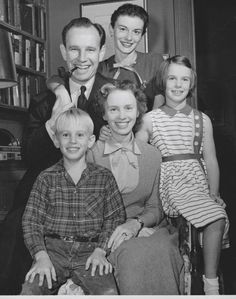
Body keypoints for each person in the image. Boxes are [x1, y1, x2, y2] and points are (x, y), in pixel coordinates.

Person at [0, 17, 113, 294]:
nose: (82, 58)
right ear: (63, 51)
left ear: (101, 52)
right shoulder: (44, 99)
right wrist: (54, 120)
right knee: (15, 225)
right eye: (74, 50)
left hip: (96, 188)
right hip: (45, 185)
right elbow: (29, 155)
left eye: (90, 50)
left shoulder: (115, 96)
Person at [136, 55, 230, 295]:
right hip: (170, 182)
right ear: (162, 82)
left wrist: (214, 192)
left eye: (184, 79)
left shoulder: (202, 119)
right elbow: (136, 155)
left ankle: (207, 276)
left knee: (218, 214)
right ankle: (212, 286)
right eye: (172, 78)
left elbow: (210, 159)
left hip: (197, 181)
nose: (178, 84)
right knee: (216, 217)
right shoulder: (150, 119)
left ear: (191, 84)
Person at [86, 80, 184, 295]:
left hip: (149, 230)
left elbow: (156, 207)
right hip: (107, 236)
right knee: (132, 254)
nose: (122, 116)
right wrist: (116, 231)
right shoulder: (91, 155)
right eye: (113, 109)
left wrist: (136, 224)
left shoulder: (153, 155)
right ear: (104, 115)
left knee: (159, 250)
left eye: (128, 108)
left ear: (138, 111)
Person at [20, 107, 126, 295]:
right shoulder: (46, 178)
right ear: (56, 140)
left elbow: (115, 218)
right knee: (30, 290)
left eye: (80, 135)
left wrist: (101, 251)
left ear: (91, 140)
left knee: (109, 293)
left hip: (90, 252)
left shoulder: (104, 177)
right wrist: (41, 256)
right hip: (53, 251)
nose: (73, 141)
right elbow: (31, 221)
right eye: (66, 135)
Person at [47, 3, 164, 111]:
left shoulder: (154, 61)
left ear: (142, 35)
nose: (129, 37)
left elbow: (161, 106)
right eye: (123, 29)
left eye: (136, 32)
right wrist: (60, 91)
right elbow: (58, 79)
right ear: (111, 30)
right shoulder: (100, 68)